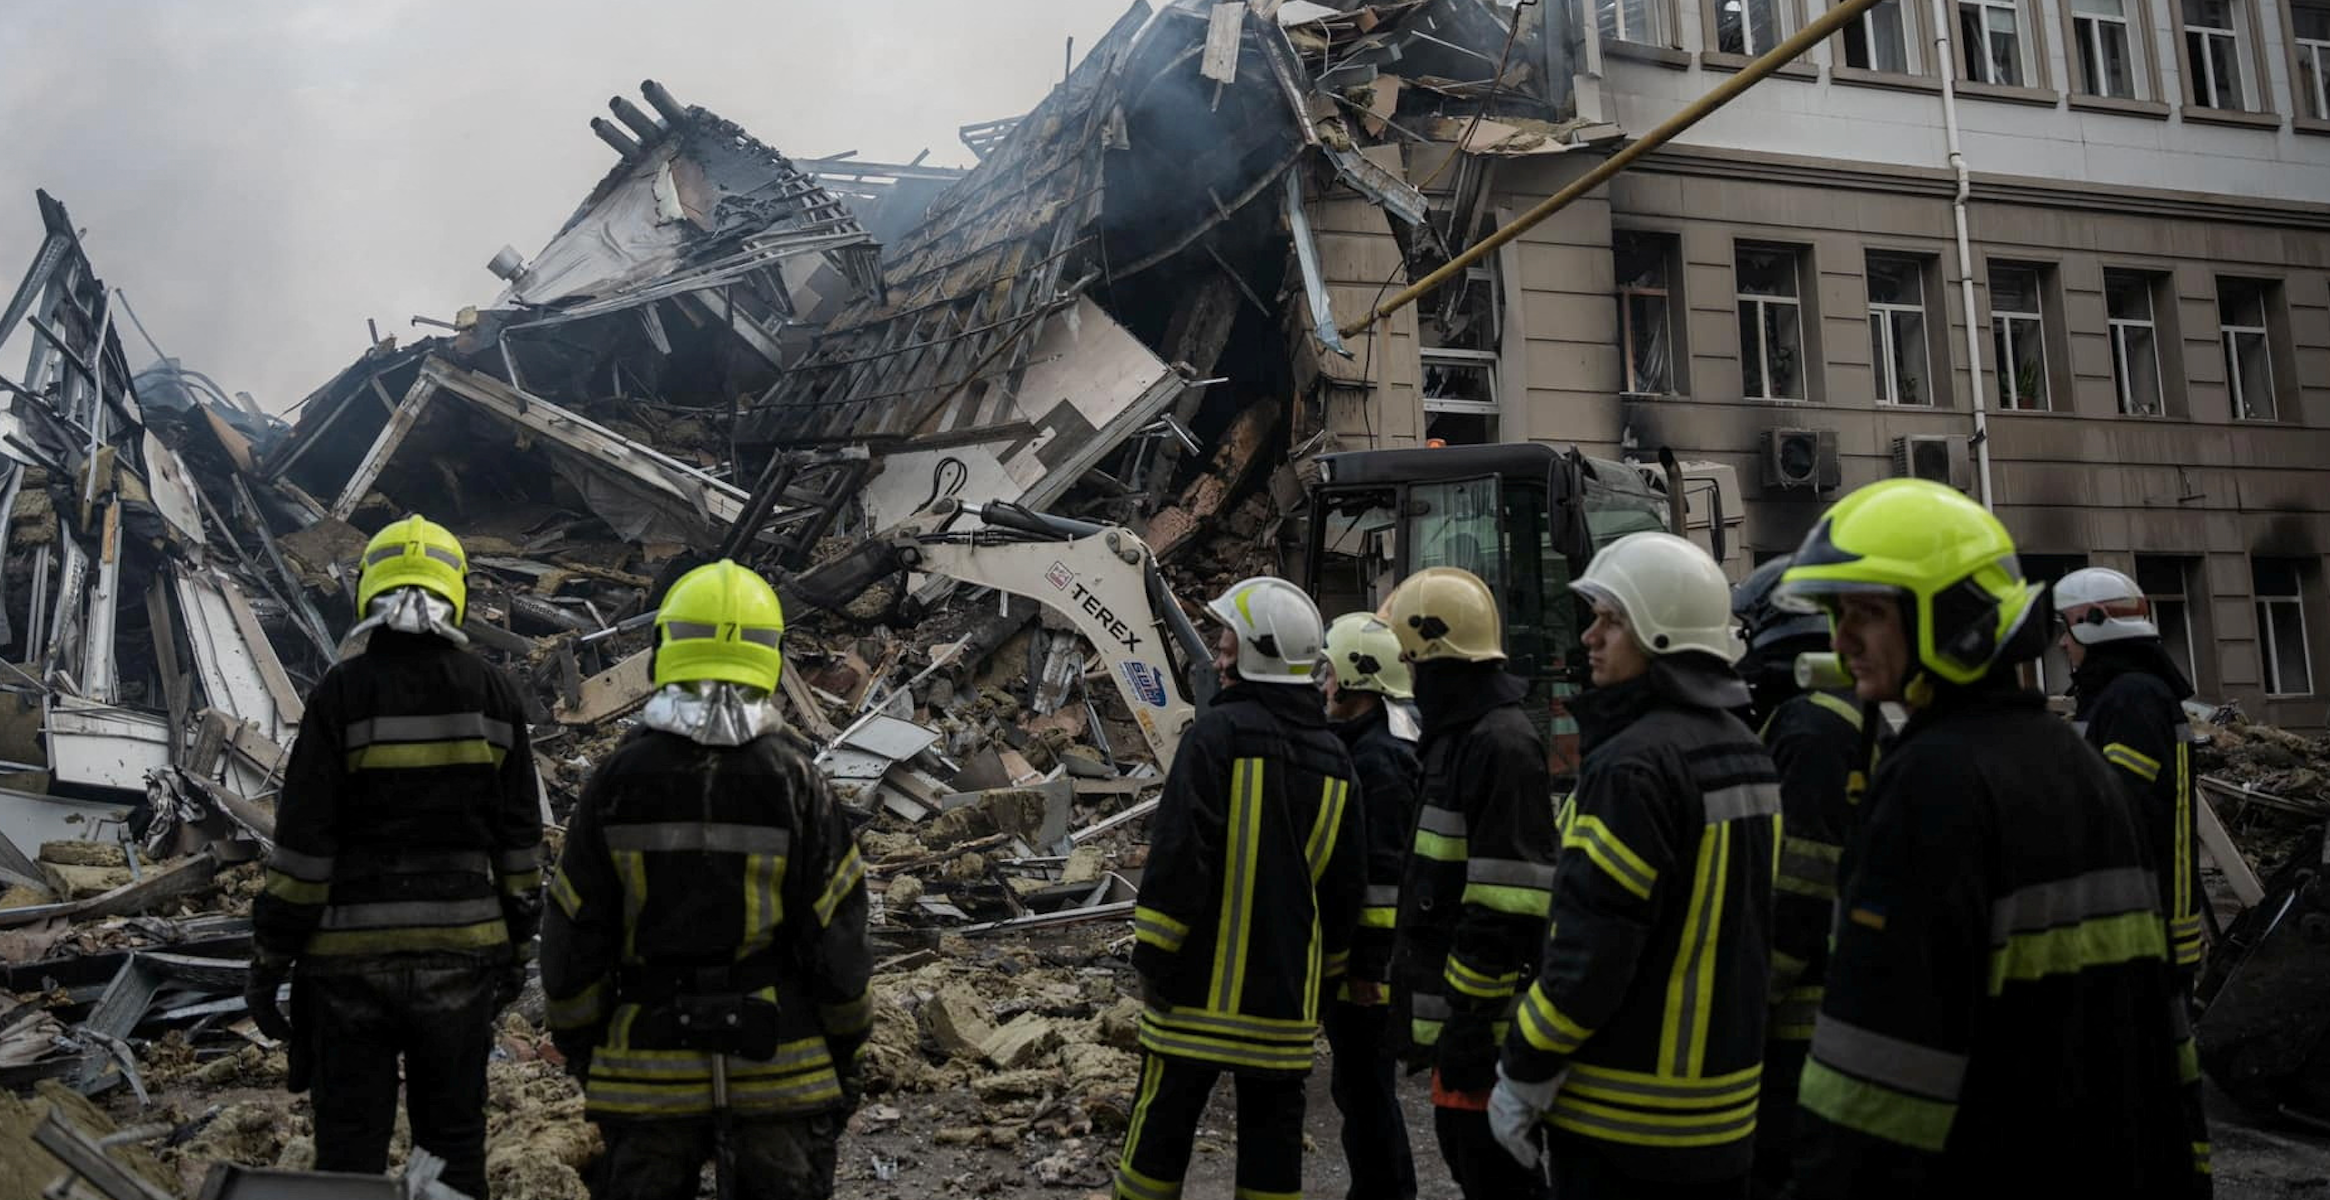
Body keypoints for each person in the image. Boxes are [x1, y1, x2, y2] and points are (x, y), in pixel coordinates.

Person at [1773, 479, 2210, 1196]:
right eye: (1838, 614)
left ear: (1949, 618)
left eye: (1867, 613)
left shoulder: (1929, 784)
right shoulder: (2074, 763)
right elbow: (2160, 1038)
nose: (1841, 639)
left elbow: (1875, 1082)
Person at [540, 561, 871, 1200]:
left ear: (665, 650)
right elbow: (841, 936)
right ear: (770, 658)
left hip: (646, 1074)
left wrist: (585, 1048)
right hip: (779, 1072)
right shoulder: (797, 781)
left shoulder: (618, 780)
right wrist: (845, 1055)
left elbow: (573, 932)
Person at [247, 515, 544, 1200]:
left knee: (350, 1147)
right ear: (456, 592)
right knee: (451, 1148)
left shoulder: (339, 695)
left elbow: (303, 850)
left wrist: (270, 959)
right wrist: (516, 948)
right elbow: (520, 843)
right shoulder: (493, 694)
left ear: (367, 591)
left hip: (348, 973)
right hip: (461, 964)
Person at [1487, 532, 1779, 1200]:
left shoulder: (1633, 764)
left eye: (1611, 620)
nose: (1591, 637)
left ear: (1662, 635)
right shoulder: (1748, 750)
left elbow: (1590, 952)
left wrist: (1523, 1068)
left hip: (1624, 1123)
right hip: (1725, 1116)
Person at [1117, 576, 1366, 1200]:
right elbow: (1344, 892)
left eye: (1226, 649)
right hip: (1283, 1007)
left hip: (1191, 1000)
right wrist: (1327, 979)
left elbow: (1177, 860)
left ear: (1254, 656)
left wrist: (1152, 958)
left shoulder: (1213, 740)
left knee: (1158, 1142)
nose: (1219, 662)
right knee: (1273, 1160)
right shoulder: (1338, 763)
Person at [1380, 567, 1559, 1200]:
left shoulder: (1498, 745)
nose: (1404, 668)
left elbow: (1507, 904)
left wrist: (1471, 1023)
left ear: (1436, 653)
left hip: (1487, 1027)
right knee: (1466, 1153)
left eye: (1409, 655)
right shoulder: (1459, 740)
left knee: (1495, 1170)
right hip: (1464, 1022)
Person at [1732, 554, 1867, 1199]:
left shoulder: (1808, 726)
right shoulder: (1839, 711)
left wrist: (1751, 998)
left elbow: (1802, 887)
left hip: (1800, 1020)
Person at [2055, 566, 2207, 989]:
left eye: (2066, 629)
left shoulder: (2132, 699)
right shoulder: (2120, 695)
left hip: (2145, 934)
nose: (2063, 642)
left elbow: (2118, 814)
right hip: (2135, 925)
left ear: (2094, 624)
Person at [1321, 612, 1424, 1200]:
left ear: (1357, 681)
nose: (1323, 685)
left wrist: (1367, 969)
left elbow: (1384, 878)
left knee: (1365, 1090)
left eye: (1330, 672)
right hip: (1374, 959)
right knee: (1358, 1088)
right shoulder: (1376, 740)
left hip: (1372, 969)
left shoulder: (1380, 760)